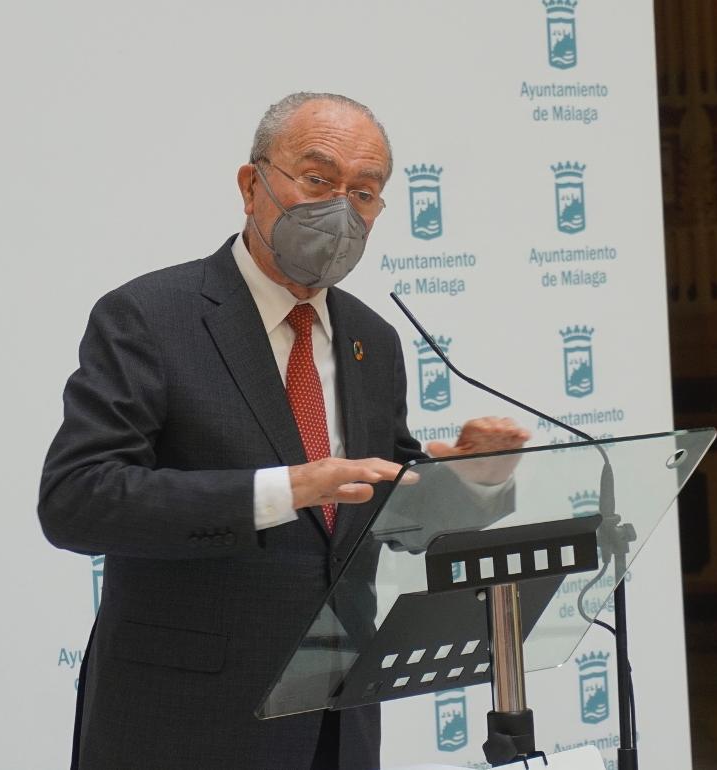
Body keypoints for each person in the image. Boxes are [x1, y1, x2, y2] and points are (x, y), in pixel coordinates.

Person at [38, 92, 529, 770]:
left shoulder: (371, 339)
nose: (341, 209)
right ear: (251, 184)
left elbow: (384, 512)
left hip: (338, 723)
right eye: (319, 179)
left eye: (364, 192)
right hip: (184, 721)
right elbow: (78, 501)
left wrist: (469, 484)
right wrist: (284, 489)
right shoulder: (151, 317)